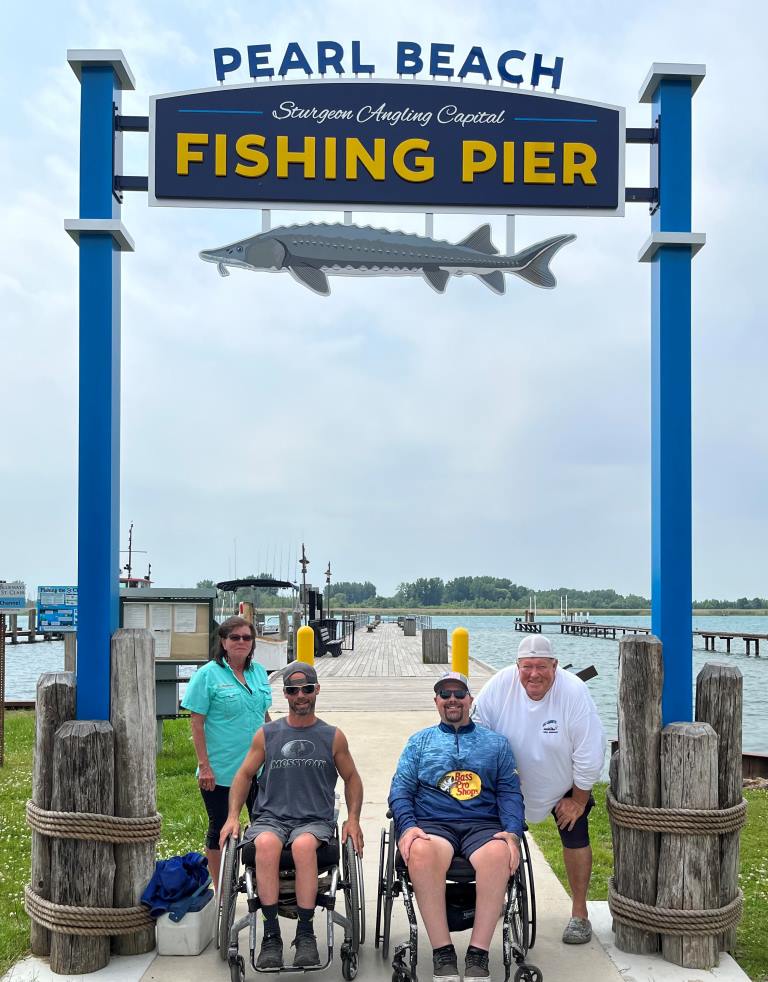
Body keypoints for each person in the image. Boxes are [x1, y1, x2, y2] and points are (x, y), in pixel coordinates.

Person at [220, 661, 364, 970]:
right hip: (272, 817)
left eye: (307, 689)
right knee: (267, 845)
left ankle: (305, 932)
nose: (301, 695)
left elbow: (352, 778)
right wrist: (233, 816)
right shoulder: (267, 734)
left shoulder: (332, 736)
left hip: (313, 821)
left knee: (302, 846)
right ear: (285, 694)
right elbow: (244, 775)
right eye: (293, 690)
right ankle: (271, 935)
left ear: (316, 691)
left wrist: (353, 819)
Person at [388, 671, 524, 982]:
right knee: (419, 851)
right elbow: (400, 790)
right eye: (445, 694)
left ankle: (478, 954)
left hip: (482, 824)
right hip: (435, 823)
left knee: (499, 854)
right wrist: (407, 826)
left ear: (470, 701)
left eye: (459, 694)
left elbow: (509, 792)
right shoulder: (419, 742)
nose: (452, 699)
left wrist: (513, 832)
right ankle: (443, 953)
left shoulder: (496, 743)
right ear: (436, 701)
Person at [473, 635, 605, 945]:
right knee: (491, 840)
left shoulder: (574, 691)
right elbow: (477, 727)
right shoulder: (499, 684)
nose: (534, 674)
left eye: (542, 666)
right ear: (517, 666)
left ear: (555, 666)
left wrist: (578, 798)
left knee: (576, 835)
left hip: (562, 785)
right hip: (509, 787)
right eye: (527, 666)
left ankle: (579, 913)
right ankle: (495, 899)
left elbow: (590, 751)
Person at [180, 616, 272, 890]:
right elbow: (196, 722)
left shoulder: (258, 672)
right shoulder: (207, 675)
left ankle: (260, 884)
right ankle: (222, 890)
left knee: (262, 826)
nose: (241, 642)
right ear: (223, 641)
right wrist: (204, 766)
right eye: (235, 637)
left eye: (247, 637)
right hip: (221, 771)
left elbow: (263, 713)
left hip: (259, 768)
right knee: (219, 826)